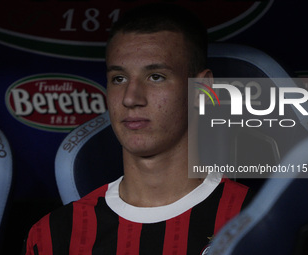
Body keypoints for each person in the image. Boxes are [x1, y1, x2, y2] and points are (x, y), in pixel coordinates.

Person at [23, 4, 249, 254]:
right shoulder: (53, 236)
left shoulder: (255, 223)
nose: (131, 98)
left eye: (156, 77)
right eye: (119, 79)